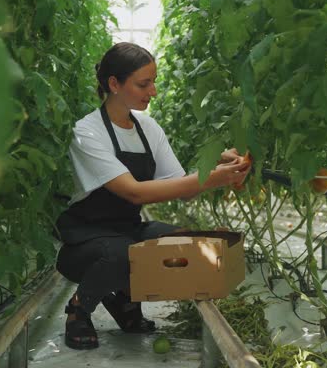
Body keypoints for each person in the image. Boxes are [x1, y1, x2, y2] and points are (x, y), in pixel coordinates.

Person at [55, 42, 250, 350]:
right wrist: (212, 178)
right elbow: (133, 192)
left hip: (127, 229)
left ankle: (125, 302)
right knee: (122, 254)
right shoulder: (88, 132)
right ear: (114, 84)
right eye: (144, 84)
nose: (154, 91)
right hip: (85, 240)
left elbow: (181, 188)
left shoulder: (148, 128)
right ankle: (79, 309)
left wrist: (216, 165)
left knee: (178, 242)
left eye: (154, 82)